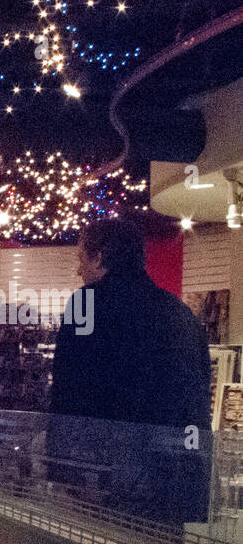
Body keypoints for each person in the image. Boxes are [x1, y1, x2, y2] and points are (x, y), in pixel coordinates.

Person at [47, 218, 211, 524]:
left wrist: (62, 470)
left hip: (108, 483)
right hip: (175, 484)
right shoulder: (180, 313)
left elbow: (70, 391)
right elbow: (198, 400)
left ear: (99, 257)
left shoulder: (87, 303)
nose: (79, 270)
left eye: (81, 259)